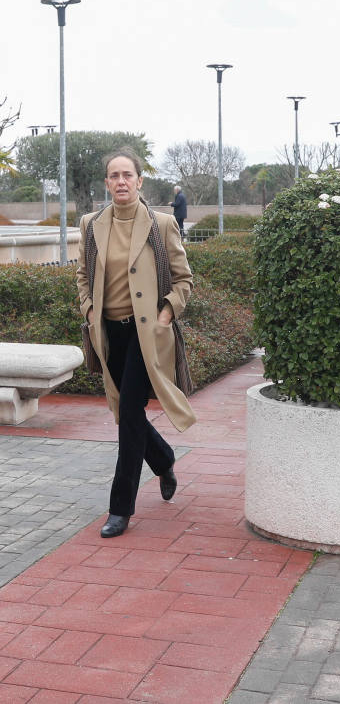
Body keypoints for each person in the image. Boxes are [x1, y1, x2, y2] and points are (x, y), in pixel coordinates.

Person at [76, 149, 196, 538]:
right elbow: (82, 274)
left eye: (128, 174)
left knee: (128, 415)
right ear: (107, 183)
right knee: (127, 413)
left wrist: (165, 317)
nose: (121, 181)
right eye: (114, 175)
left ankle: (120, 508)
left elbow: (183, 280)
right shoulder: (90, 225)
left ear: (140, 181)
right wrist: (90, 310)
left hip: (147, 335)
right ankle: (162, 458)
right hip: (108, 333)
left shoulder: (160, 225)